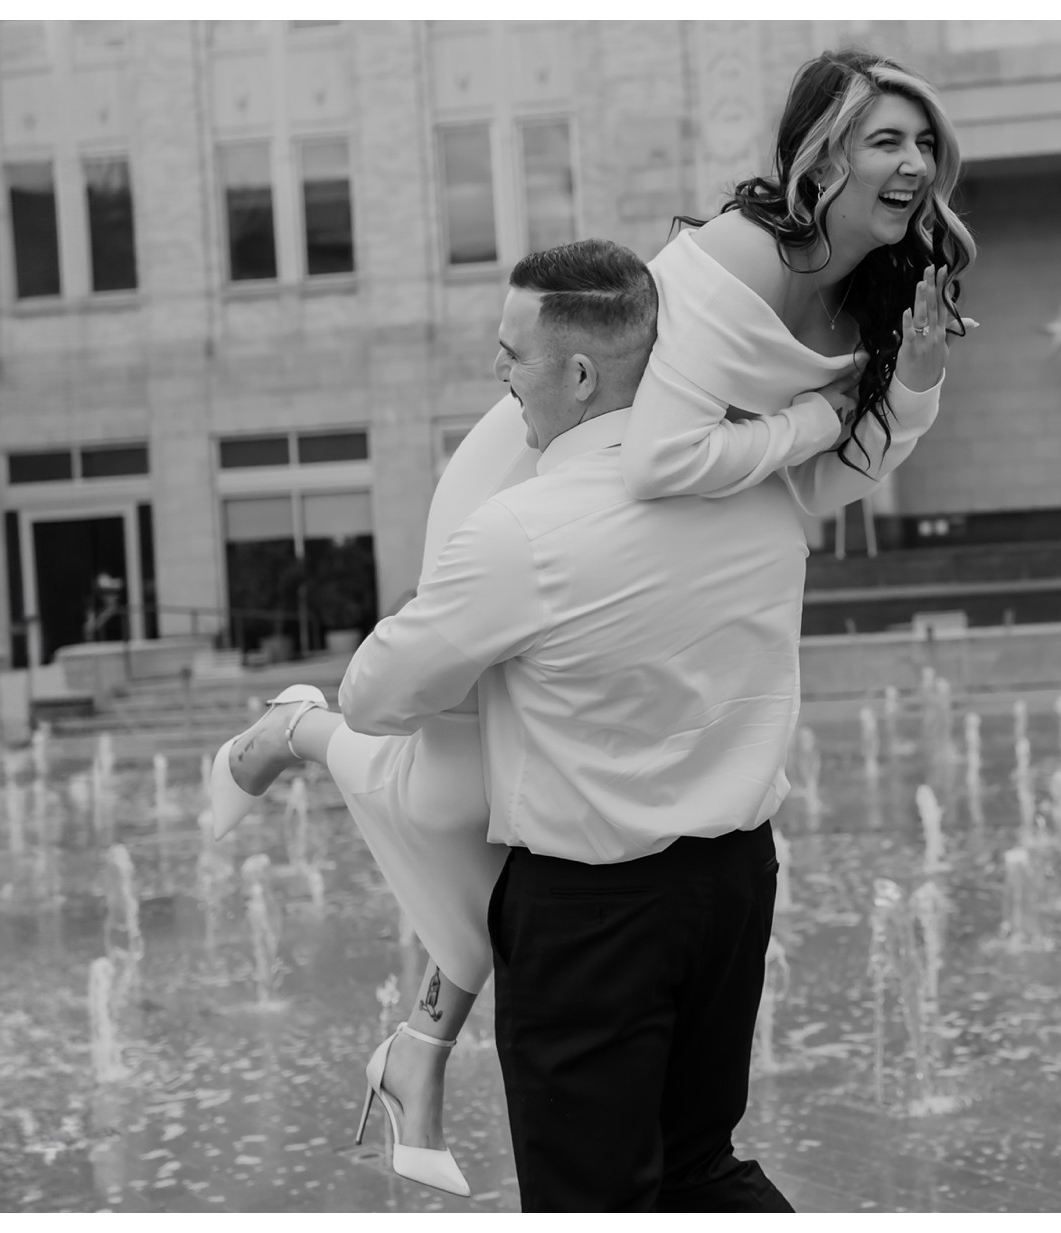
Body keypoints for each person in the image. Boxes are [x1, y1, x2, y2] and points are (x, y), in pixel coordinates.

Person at [208, 48, 975, 1207]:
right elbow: (672, 455)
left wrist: (905, 383)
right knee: (463, 801)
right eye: (884, 139)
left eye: (924, 142)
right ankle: (305, 739)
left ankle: (415, 1052)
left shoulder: (879, 287)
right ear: (820, 152)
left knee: (524, 834)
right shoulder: (738, 256)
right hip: (560, 467)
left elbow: (833, 478)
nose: (913, 163)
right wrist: (820, 418)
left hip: (690, 513)